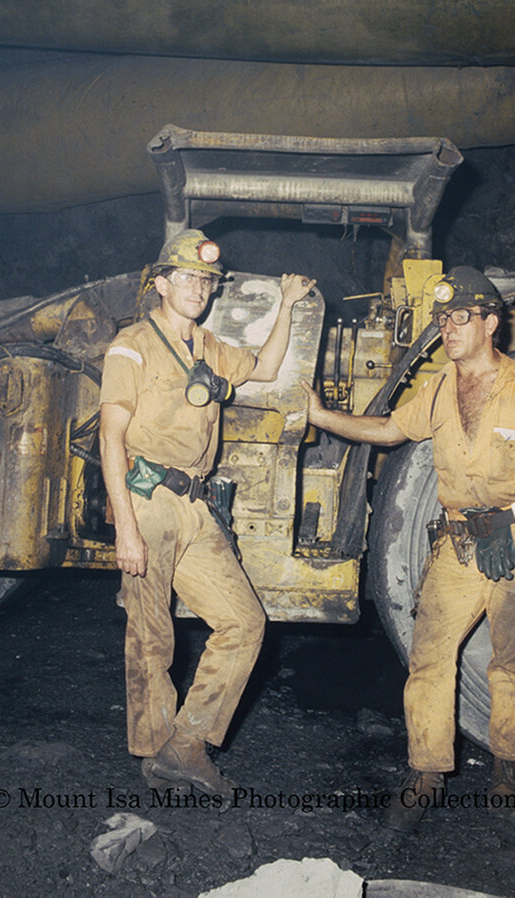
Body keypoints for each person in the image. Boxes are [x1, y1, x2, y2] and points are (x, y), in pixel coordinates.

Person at [301, 265, 515, 829]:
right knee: (429, 658)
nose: (448, 328)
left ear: (490, 324)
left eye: (460, 318)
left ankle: (507, 772)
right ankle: (425, 774)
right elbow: (389, 431)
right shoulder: (437, 389)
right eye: (443, 318)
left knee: (513, 662)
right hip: (458, 542)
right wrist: (323, 417)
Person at [99, 228, 315, 796]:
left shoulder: (211, 347)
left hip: (196, 503)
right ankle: (154, 755)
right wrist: (124, 526)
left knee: (245, 622)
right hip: (146, 499)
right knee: (152, 636)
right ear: (162, 284)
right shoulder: (132, 345)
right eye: (189, 277)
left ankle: (186, 743)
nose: (200, 287)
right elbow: (111, 438)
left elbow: (266, 368)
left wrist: (288, 305)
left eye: (207, 280)